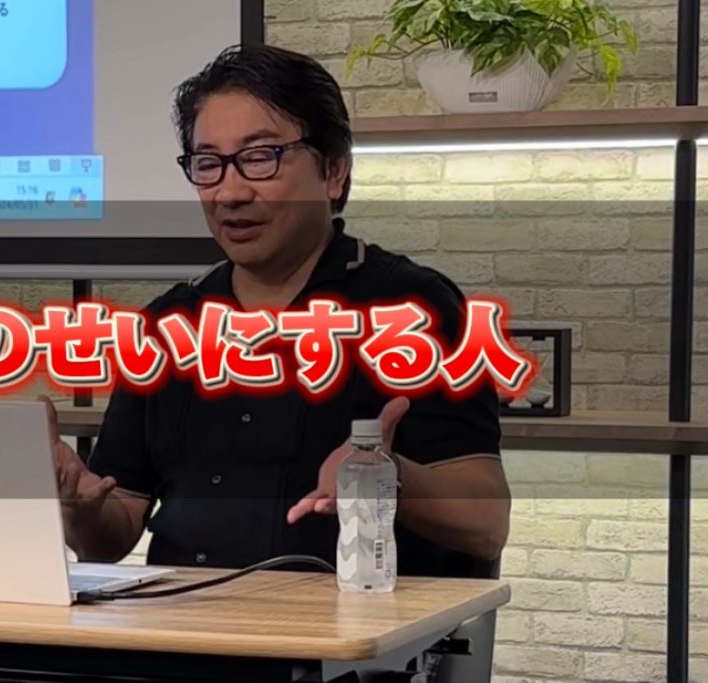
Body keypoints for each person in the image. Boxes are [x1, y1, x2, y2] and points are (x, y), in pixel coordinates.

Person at [43, 43, 511, 580]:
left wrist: (385, 475)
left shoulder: (412, 308)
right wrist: (78, 504)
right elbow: (111, 533)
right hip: (181, 623)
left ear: (333, 171)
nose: (230, 192)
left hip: (352, 627)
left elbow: (486, 525)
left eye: (260, 157)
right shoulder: (166, 326)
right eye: (208, 164)